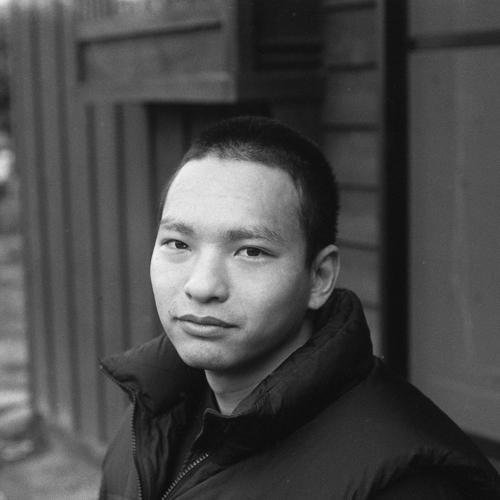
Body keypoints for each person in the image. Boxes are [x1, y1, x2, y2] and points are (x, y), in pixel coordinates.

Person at [99, 116, 500, 499]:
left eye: (250, 251)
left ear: (319, 277)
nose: (202, 286)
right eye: (178, 244)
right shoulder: (151, 414)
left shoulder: (402, 482)